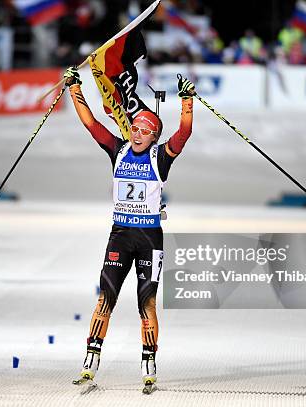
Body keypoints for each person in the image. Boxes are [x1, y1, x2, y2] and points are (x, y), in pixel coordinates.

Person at [63, 66, 195, 393]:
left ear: (153, 136)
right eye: (134, 128)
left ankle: (149, 365)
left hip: (149, 238)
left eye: (144, 130)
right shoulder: (118, 150)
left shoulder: (160, 157)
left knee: (146, 302)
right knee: (105, 296)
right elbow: (92, 124)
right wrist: (74, 87)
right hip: (120, 235)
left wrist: (187, 101)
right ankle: (90, 363)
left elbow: (184, 133)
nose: (136, 134)